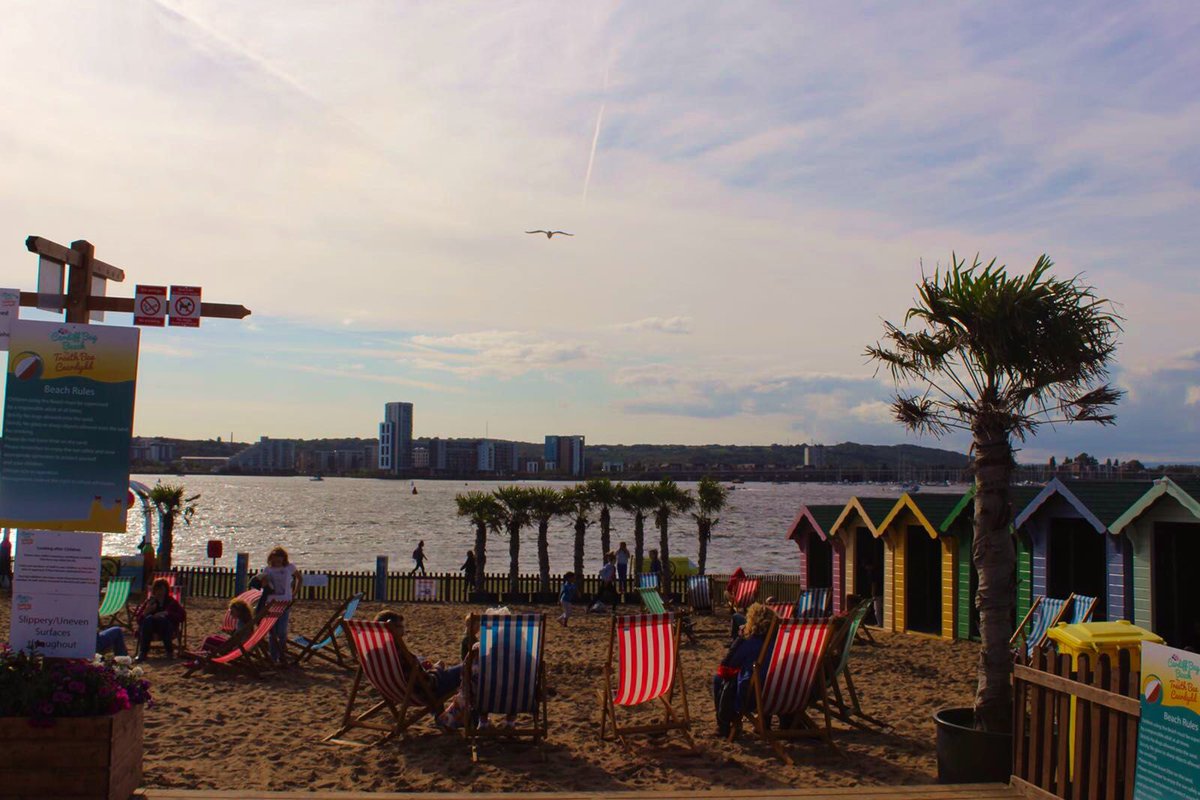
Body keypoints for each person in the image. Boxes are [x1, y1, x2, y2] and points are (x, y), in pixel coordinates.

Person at [712, 602, 775, 737]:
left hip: (753, 697)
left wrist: (740, 639)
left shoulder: (749, 641)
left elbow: (728, 665)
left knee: (718, 679)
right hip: (779, 693)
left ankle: (724, 727)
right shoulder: (781, 641)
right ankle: (765, 722)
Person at [374, 610, 461, 698]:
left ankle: (437, 711)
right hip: (422, 691)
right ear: (392, 629)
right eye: (400, 626)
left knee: (421, 659)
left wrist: (420, 666)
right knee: (466, 668)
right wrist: (437, 668)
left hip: (395, 691)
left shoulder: (375, 652)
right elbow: (428, 682)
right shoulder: (399, 652)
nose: (403, 630)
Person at [262, 546, 300, 665]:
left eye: (279, 560)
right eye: (275, 560)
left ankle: (282, 653)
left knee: (282, 631)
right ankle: (274, 657)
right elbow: (264, 586)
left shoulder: (289, 567)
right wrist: (264, 581)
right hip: (271, 603)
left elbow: (300, 578)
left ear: (284, 559)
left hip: (285, 602)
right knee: (272, 631)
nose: (277, 562)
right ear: (271, 559)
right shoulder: (268, 569)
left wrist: (294, 593)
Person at [134, 577, 186, 662]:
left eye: (161, 589)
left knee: (162, 620)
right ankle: (143, 652)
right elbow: (139, 620)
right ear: (154, 590)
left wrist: (167, 614)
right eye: (157, 589)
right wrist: (146, 612)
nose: (159, 592)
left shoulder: (171, 602)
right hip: (150, 629)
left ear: (166, 590)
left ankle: (169, 651)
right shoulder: (150, 602)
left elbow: (182, 615)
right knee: (148, 619)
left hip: (166, 627)